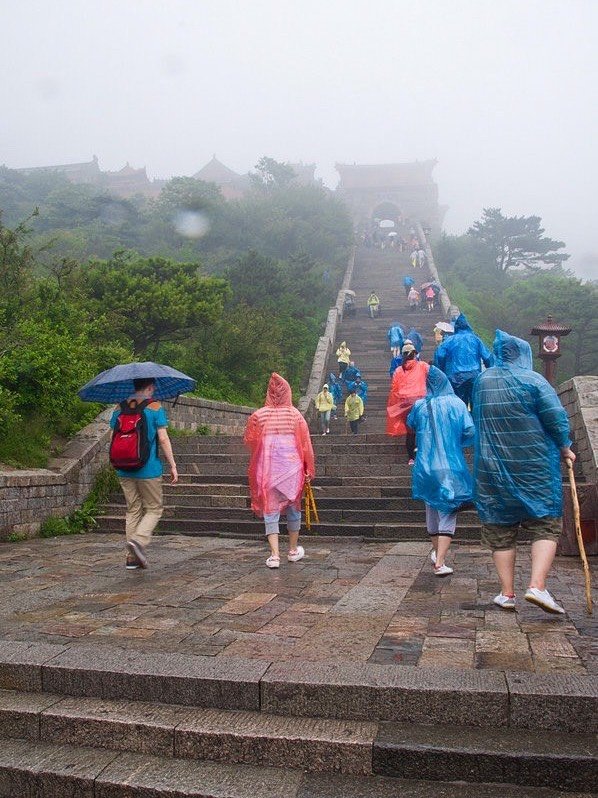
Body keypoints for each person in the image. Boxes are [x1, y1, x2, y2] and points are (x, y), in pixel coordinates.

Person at [473, 331, 575, 614]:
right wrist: (565, 446)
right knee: (545, 522)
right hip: (535, 467)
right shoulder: (533, 380)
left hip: (492, 469)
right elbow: (555, 417)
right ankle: (537, 586)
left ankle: (507, 593)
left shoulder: (482, 381)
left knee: (500, 527)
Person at [407, 367, 474, 576]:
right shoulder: (457, 403)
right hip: (449, 465)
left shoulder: (420, 405)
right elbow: (469, 430)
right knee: (448, 510)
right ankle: (440, 562)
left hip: (425, 466)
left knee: (431, 510)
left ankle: (437, 553)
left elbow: (410, 423)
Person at [244, 373, 315, 569]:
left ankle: (274, 555)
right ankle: (292, 550)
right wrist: (308, 468)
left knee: (271, 510)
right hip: (292, 472)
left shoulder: (259, 415)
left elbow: (250, 441)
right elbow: (305, 445)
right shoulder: (295, 415)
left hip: (267, 472)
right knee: (294, 509)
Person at [110, 378, 178, 570]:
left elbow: (113, 436)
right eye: (152, 388)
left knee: (133, 510)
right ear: (148, 387)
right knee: (154, 509)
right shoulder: (155, 407)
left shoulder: (118, 408)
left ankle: (131, 558)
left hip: (123, 467)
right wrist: (172, 465)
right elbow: (163, 439)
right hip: (148, 469)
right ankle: (139, 541)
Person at [434, 313, 493, 408]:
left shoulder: (450, 340)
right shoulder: (476, 339)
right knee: (476, 403)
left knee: (459, 405)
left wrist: (441, 370)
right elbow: (487, 357)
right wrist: (491, 369)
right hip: (474, 375)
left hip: (456, 376)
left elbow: (440, 355)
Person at [386, 343, 429, 464]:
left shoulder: (398, 371)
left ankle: (411, 458)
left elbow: (394, 389)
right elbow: (433, 377)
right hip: (421, 402)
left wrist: (397, 405)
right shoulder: (423, 366)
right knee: (422, 429)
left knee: (410, 432)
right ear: (414, 354)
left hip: (406, 404)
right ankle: (423, 454)